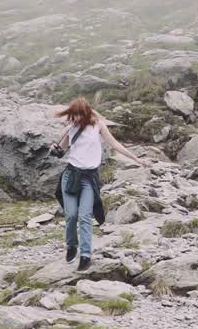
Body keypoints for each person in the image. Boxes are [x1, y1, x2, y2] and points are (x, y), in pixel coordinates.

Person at [52, 97, 150, 270]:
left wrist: (136, 159)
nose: (74, 119)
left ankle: (85, 255)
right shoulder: (70, 129)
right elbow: (59, 150)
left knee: (84, 216)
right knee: (71, 215)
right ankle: (71, 245)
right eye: (72, 115)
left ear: (85, 113)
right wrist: (53, 149)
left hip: (89, 178)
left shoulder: (98, 125)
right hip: (70, 176)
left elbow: (114, 144)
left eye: (77, 115)